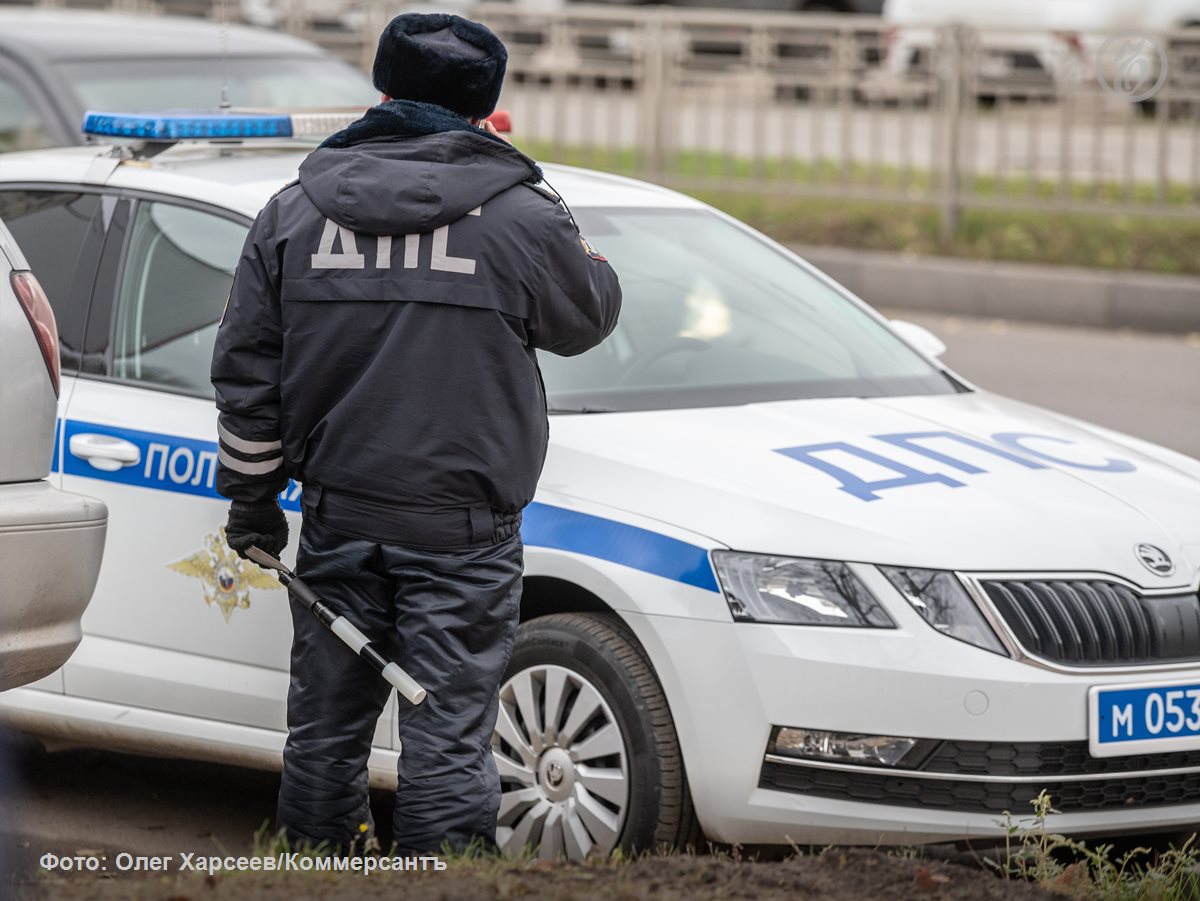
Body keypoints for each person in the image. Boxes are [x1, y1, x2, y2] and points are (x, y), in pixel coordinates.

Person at [210, 12, 621, 854]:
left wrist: (251, 502)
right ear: (483, 107)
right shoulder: (521, 219)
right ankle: (436, 880)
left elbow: (246, 375)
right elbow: (589, 316)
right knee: (446, 730)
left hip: (338, 522)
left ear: (383, 89)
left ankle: (319, 872)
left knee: (325, 729)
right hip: (462, 536)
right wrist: (577, 235)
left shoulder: (291, 214)